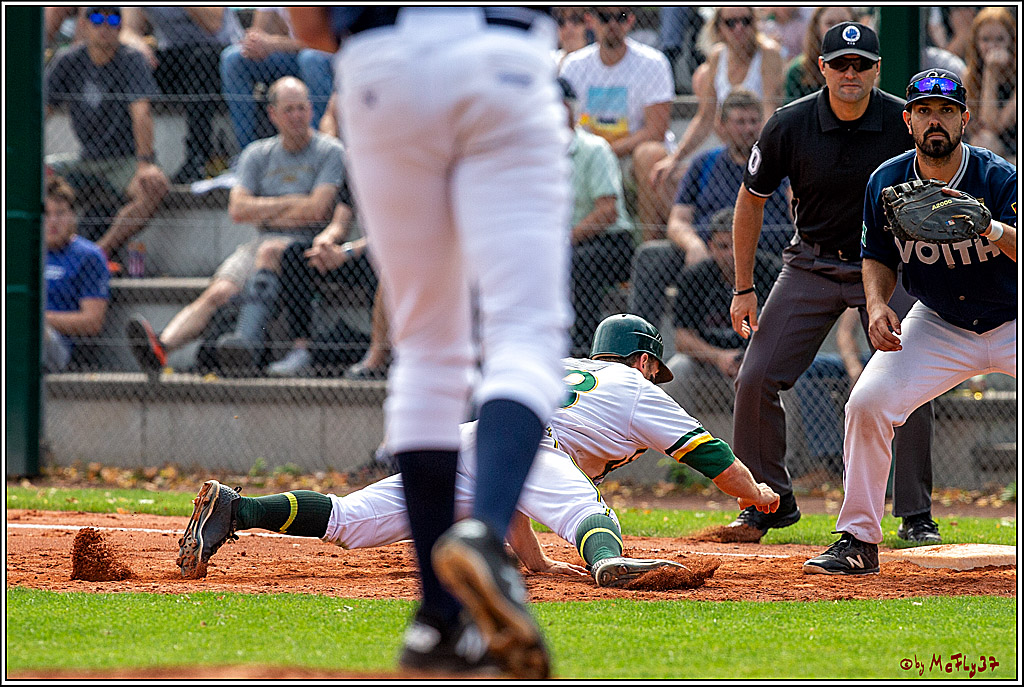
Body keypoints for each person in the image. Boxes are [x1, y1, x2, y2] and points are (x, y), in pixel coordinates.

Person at [285, 7, 573, 678]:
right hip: (502, 54)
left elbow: (306, 27)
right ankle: (484, 528)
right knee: (524, 330)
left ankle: (438, 621)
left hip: (381, 62)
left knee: (425, 348)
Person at [177, 314, 780, 589]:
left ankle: (240, 510)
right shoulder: (632, 387)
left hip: (473, 437)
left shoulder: (558, 364)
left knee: (349, 521)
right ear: (646, 360)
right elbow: (710, 456)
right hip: (529, 444)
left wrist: (537, 566)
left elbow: (513, 489)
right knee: (584, 508)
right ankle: (606, 563)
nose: (657, 377)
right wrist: (760, 496)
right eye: (657, 368)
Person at [727, 22, 938, 544]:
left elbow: (949, 177)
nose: (850, 73)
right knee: (755, 378)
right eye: (840, 63)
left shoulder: (901, 120)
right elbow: (751, 200)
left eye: (861, 64)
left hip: (892, 265)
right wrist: (743, 286)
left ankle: (915, 515)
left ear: (876, 70)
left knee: (912, 378)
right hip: (814, 263)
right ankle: (768, 499)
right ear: (820, 68)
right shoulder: (788, 124)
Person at [804, 69, 1017, 575]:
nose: (935, 121)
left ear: (964, 118)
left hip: (1012, 317)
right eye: (924, 111)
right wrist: (877, 306)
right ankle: (857, 539)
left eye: (946, 111)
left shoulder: (998, 177)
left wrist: (991, 226)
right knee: (869, 403)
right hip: (939, 321)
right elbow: (876, 255)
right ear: (908, 120)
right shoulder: (887, 181)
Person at [125, 77, 344, 377]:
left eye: (302, 108)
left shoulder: (329, 151)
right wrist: (294, 204)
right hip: (259, 242)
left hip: (304, 247)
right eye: (289, 109)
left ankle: (244, 344)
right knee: (217, 292)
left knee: (270, 251)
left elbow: (319, 210)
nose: (297, 116)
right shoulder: (257, 154)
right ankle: (161, 347)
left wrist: (265, 210)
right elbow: (238, 210)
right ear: (273, 114)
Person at [629, 91, 792, 334]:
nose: (748, 129)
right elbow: (678, 221)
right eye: (740, 122)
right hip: (708, 254)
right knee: (651, 256)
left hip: (763, 255)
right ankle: (640, 342)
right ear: (722, 126)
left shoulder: (777, 163)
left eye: (753, 121)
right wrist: (694, 245)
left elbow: (797, 214)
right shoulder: (704, 163)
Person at [44, 6, 170, 270]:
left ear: (121, 26)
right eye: (97, 18)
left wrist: (145, 163)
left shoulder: (132, 60)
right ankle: (45, 253)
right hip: (84, 159)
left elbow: (142, 114)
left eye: (113, 19)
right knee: (28, 178)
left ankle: (98, 253)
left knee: (153, 188)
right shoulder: (68, 61)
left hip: (126, 160)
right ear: (84, 24)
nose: (105, 25)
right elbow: (41, 113)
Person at [649, 7, 784, 212]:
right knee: (668, 176)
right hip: (726, 147)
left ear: (754, 23)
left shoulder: (768, 54)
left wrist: (762, 156)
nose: (738, 28)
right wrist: (674, 159)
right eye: (730, 23)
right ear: (719, 28)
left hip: (758, 145)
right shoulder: (717, 57)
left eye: (745, 21)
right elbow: (705, 117)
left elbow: (769, 112)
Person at [559, 6, 676, 240]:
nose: (612, 23)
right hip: (589, 156)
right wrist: (597, 154)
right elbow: (565, 123)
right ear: (591, 21)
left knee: (649, 154)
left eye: (620, 16)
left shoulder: (653, 63)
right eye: (604, 17)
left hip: (629, 155)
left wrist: (604, 151)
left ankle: (648, 250)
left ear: (631, 20)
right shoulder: (573, 65)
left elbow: (655, 131)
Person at [120, 7, 243, 184]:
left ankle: (198, 157)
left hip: (220, 56)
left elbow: (213, 24)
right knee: (132, 59)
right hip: (175, 56)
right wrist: (138, 44)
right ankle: (130, 161)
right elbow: (127, 30)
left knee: (200, 61)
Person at [558, 77, 636, 355]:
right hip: (564, 243)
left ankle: (583, 344)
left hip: (611, 242)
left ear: (570, 110)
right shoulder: (535, 153)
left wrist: (565, 240)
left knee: (577, 262)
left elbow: (607, 212)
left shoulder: (594, 148)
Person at [262, 204, 378, 377]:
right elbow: (339, 224)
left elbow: (390, 236)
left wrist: (346, 252)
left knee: (377, 263)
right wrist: (323, 244)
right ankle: (302, 349)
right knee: (295, 255)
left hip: (381, 254)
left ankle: (377, 352)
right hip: (346, 255)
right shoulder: (354, 177)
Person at [220, 7, 334, 153]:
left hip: (327, 57)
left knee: (310, 58)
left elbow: (320, 42)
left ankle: (320, 151)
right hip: (290, 55)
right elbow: (257, 31)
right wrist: (254, 44)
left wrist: (274, 43)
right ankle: (248, 155)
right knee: (233, 58)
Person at [43, 175, 110, 373]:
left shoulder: (88, 256)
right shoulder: (21, 250)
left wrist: (37, 319)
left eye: (60, 213)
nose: (53, 221)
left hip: (55, 345)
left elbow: (92, 322)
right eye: (46, 214)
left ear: (73, 215)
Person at [962, 7, 1016, 163]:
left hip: (1014, 146)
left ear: (1012, 41)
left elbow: (994, 125)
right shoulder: (969, 76)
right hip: (990, 147)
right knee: (983, 142)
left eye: (1000, 39)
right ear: (976, 42)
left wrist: (991, 72)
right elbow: (983, 128)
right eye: (985, 39)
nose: (993, 46)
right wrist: (989, 74)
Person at [783, 6, 857, 105]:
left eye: (844, 23)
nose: (837, 29)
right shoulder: (799, 70)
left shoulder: (867, 66)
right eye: (830, 23)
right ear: (817, 28)